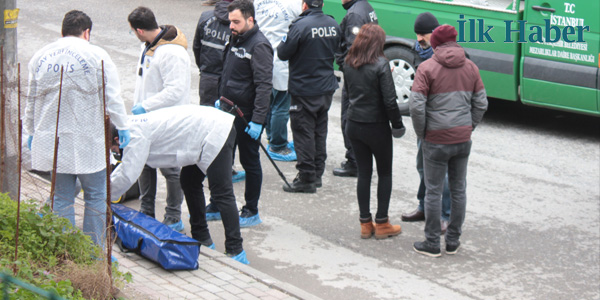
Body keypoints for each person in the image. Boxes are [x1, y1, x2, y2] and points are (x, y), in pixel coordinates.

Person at [24, 10, 130, 249]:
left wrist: (31, 131)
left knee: (61, 198)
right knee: (96, 196)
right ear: (87, 32)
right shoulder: (96, 54)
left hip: (54, 139)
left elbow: (31, 99)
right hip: (87, 140)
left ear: (62, 32)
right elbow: (112, 96)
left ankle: (65, 250)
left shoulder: (41, 56)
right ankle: (92, 254)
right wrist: (122, 126)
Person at [109, 105, 249, 264]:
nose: (117, 152)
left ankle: (235, 249)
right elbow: (125, 168)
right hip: (198, 133)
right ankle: (202, 238)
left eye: (114, 149)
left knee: (222, 193)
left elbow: (128, 174)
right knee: (189, 182)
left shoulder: (135, 136)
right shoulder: (126, 128)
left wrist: (104, 196)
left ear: (116, 139)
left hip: (215, 130)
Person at [409, 24, 488, 257]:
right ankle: (453, 241)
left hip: (435, 139)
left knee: (433, 191)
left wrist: (422, 132)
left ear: (435, 44)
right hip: (462, 139)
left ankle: (432, 243)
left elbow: (415, 106)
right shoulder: (471, 67)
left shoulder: (427, 68)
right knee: (459, 189)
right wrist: (468, 127)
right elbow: (481, 103)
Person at [128, 6, 190, 232]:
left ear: (139, 30)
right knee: (144, 163)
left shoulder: (173, 53)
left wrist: (146, 105)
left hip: (168, 120)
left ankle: (174, 216)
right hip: (147, 120)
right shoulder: (147, 46)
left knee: (170, 169)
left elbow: (175, 90)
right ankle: (146, 210)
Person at [343, 23, 405, 239]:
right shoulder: (381, 65)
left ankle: (365, 223)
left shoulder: (348, 62)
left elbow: (348, 94)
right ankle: (382, 223)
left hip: (354, 124)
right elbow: (389, 100)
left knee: (364, 174)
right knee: (384, 173)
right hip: (376, 126)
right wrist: (397, 125)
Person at [217, 0, 273, 227]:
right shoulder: (235, 38)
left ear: (250, 19)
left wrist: (258, 120)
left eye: (236, 21)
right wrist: (219, 98)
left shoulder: (259, 46)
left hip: (246, 115)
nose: (231, 25)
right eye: (230, 21)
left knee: (249, 162)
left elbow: (264, 86)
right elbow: (227, 71)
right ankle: (217, 203)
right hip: (226, 110)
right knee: (222, 159)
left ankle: (251, 209)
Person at [277, 0, 341, 193]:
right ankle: (316, 175)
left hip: (304, 89)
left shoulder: (300, 26)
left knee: (303, 133)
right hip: (325, 88)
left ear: (304, 5)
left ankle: (306, 178)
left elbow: (282, 53)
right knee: (319, 132)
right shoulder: (333, 24)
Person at [401, 12, 453, 235]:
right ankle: (423, 206)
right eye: (417, 34)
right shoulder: (419, 51)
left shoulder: (451, 57)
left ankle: (445, 215)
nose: (419, 39)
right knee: (422, 166)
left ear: (435, 32)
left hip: (443, 124)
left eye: (423, 34)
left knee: (445, 174)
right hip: (425, 124)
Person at [192, 0, 246, 189]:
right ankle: (226, 168)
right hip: (228, 81)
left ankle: (203, 165)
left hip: (207, 78)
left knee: (206, 125)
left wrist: (205, 70)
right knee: (227, 127)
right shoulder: (239, 22)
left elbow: (196, 47)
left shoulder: (205, 18)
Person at [333, 0, 378, 178]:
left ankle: (355, 162)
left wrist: (346, 69)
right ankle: (360, 160)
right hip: (366, 73)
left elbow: (354, 49)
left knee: (349, 119)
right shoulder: (366, 7)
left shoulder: (354, 14)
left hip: (356, 76)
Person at [254, 0, 302, 162]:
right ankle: (278, 145)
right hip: (282, 62)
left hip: (262, 58)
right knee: (281, 106)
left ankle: (271, 137)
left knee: (268, 101)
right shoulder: (295, 4)